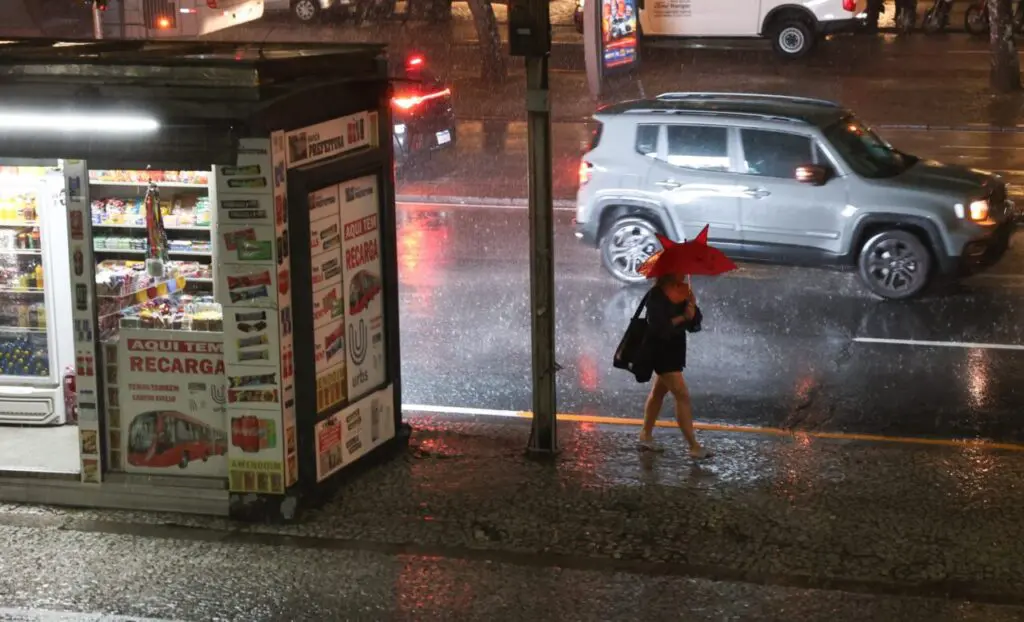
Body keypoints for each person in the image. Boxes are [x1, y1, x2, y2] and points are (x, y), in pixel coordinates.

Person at [638, 273, 711, 459]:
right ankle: (693, 445)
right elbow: (657, 327)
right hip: (659, 349)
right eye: (678, 268)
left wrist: (692, 309)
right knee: (681, 394)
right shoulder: (657, 294)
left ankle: (645, 436)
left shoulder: (685, 291)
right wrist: (682, 317)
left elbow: (694, 324)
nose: (683, 272)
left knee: (658, 392)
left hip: (676, 349)